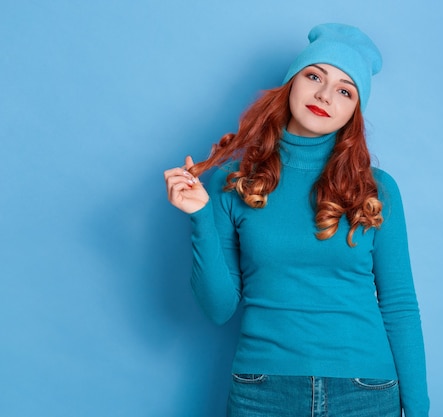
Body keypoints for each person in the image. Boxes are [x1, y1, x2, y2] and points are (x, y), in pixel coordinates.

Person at [164, 23, 429, 417]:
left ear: (355, 110)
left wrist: (419, 409)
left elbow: (399, 304)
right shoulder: (233, 183)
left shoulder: (376, 189)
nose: (324, 95)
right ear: (291, 83)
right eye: (314, 76)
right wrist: (200, 216)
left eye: (344, 90)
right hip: (261, 391)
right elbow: (218, 308)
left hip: (365, 391)